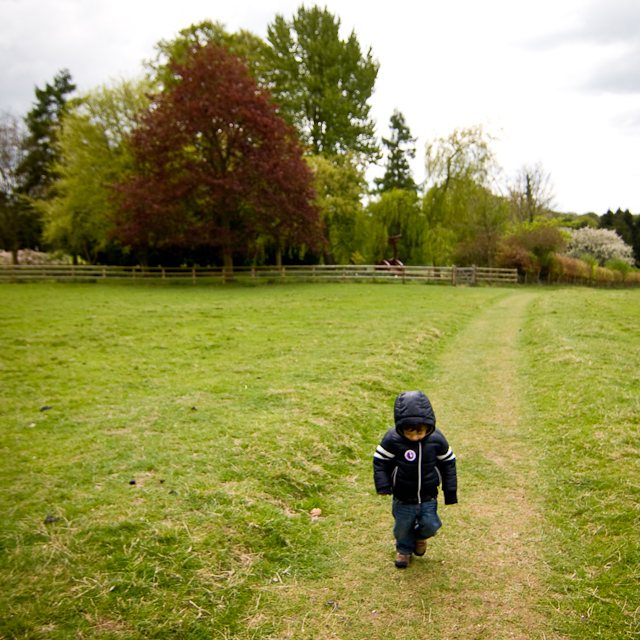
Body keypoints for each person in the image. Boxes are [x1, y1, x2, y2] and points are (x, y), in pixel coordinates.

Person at [373, 390, 457, 568]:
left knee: (431, 525)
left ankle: (420, 537)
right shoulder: (392, 439)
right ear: (400, 426)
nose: (414, 437)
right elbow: (380, 462)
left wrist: (450, 492)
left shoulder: (436, 439)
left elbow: (448, 463)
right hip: (403, 496)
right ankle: (404, 550)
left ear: (429, 426)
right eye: (409, 433)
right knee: (402, 528)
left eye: (419, 433)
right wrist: (383, 485)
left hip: (428, 496)